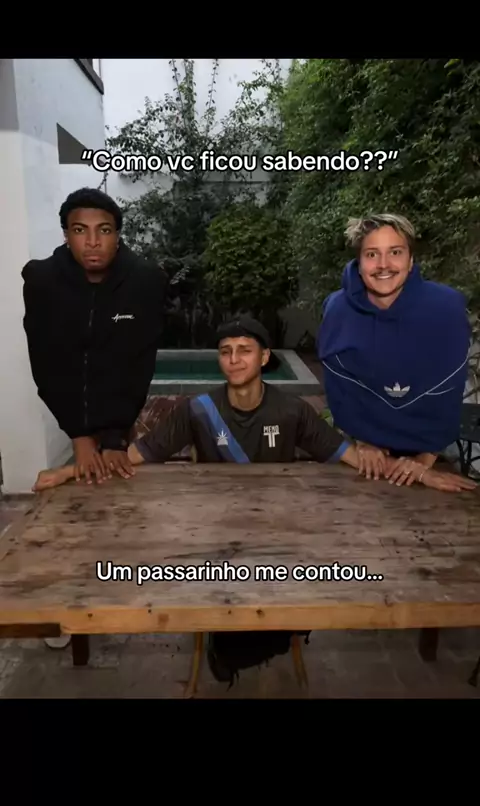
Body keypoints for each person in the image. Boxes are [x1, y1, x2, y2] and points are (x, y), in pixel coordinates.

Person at [32, 316, 475, 684]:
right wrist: (69, 471)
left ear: (264, 358)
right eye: (226, 351)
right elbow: (133, 457)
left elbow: (354, 458)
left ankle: (244, 644)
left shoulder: (292, 410)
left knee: (307, 587)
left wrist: (423, 471)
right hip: (214, 542)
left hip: (277, 537)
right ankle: (247, 642)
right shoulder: (197, 409)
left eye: (245, 350)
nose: (234, 359)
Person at [22, 187, 167, 482]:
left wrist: (116, 438)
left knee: (121, 485)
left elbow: (138, 365)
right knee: (87, 487)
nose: (92, 242)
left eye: (104, 230)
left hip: (121, 419)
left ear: (117, 236)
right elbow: (46, 364)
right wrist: (78, 435)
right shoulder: (42, 282)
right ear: (66, 235)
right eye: (80, 230)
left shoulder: (146, 281)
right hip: (72, 418)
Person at [317, 213, 472, 487]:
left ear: (411, 261)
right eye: (372, 254)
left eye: (395, 252)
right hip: (363, 450)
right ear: (359, 263)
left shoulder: (446, 309)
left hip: (434, 450)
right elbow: (340, 386)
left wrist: (425, 458)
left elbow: (450, 388)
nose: (383, 265)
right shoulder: (337, 310)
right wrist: (362, 440)